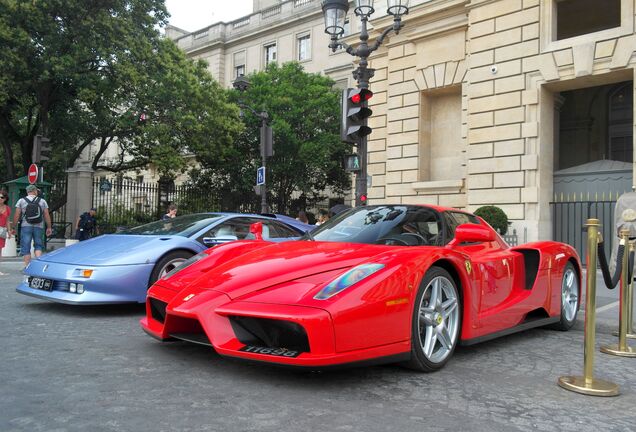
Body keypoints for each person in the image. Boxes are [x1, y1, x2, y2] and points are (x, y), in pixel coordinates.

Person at [13, 184, 52, 267]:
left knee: (26, 246)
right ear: (35, 191)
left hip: (26, 226)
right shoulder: (42, 201)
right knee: (38, 245)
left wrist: (14, 227)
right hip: (39, 226)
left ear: (27, 192)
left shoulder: (21, 201)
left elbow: (17, 214)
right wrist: (49, 227)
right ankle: (39, 266)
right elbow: (46, 215)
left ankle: (27, 266)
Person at [0, 191, 12, 275]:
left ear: (5, 199)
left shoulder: (7, 208)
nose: (0, 199)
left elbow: (7, 221)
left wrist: (9, 231)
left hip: (1, 231)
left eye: (2, 197)